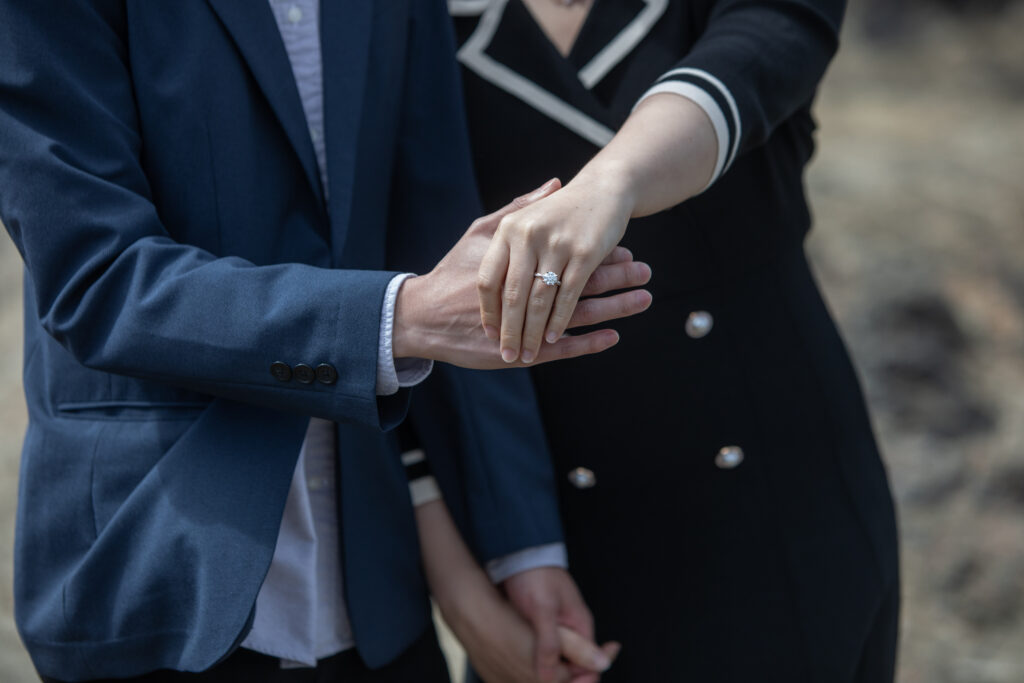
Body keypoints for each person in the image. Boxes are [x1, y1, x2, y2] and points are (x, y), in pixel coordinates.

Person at [0, 1, 648, 681]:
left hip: (376, 594)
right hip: (159, 580)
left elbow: (443, 230)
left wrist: (522, 549)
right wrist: (399, 318)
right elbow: (97, 277)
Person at [449, 0, 900, 681]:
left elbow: (768, 42)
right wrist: (463, 593)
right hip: (544, 545)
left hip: (775, 514)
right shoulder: (415, 20)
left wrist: (611, 182)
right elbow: (392, 280)